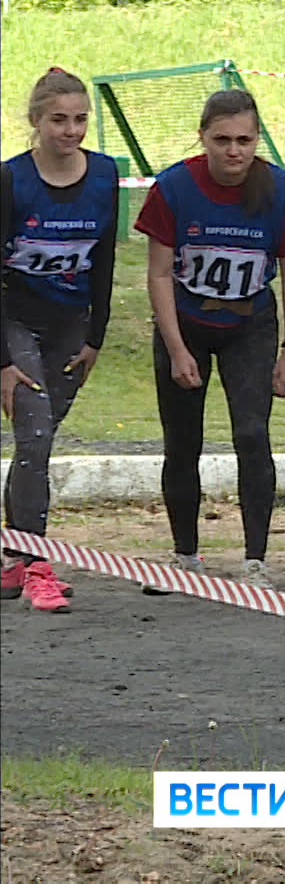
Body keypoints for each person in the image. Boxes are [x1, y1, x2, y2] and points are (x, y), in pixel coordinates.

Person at [136, 90, 285, 592]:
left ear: (257, 139)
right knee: (182, 442)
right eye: (222, 140)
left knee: (251, 435)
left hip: (251, 326)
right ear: (203, 138)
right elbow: (157, 275)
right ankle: (185, 556)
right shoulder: (174, 187)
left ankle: (255, 560)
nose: (234, 151)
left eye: (244, 140)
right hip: (187, 322)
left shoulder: (278, 189)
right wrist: (175, 348)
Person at [1, 69, 118, 613]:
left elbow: (105, 261)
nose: (71, 131)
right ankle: (38, 564)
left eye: (79, 120)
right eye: (59, 120)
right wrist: (2, 361)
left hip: (71, 324)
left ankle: (14, 556)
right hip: (15, 320)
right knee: (36, 434)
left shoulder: (104, 175)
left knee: (37, 441)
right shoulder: (10, 180)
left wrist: (96, 335)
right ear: (36, 122)